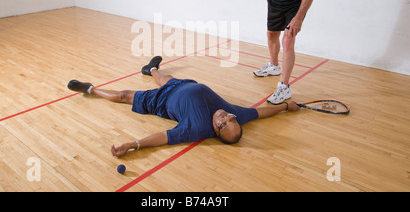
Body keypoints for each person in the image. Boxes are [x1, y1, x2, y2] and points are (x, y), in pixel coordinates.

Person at [67, 56, 300, 157]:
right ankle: (151, 69)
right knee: (162, 77)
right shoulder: (237, 115)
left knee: (123, 95)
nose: (226, 116)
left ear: (216, 131)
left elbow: (162, 137)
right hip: (182, 85)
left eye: (223, 123)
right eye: (231, 119)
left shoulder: (196, 129)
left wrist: (133, 144)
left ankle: (90, 89)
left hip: (162, 102)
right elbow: (261, 113)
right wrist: (285, 107)